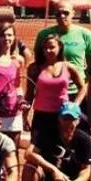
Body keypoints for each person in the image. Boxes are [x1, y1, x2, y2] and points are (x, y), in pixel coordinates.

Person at [24, 33, 85, 173]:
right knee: (37, 153)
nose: (48, 51)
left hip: (62, 117)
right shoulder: (34, 68)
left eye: (52, 47)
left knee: (59, 151)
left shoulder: (69, 67)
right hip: (41, 117)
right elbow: (29, 94)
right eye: (45, 48)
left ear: (60, 48)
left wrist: (75, 105)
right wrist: (25, 115)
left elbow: (83, 87)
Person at [0, 22, 30, 151]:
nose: (6, 38)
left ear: (14, 37)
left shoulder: (18, 60)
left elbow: (18, 86)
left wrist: (21, 100)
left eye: (10, 35)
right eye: (3, 35)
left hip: (13, 111)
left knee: (12, 150)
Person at [35, 4, 91, 73]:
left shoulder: (85, 34)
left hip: (76, 83)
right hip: (52, 81)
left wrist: (87, 81)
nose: (62, 16)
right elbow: (38, 61)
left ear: (73, 13)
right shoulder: (44, 34)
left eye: (66, 13)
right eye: (58, 14)